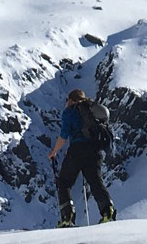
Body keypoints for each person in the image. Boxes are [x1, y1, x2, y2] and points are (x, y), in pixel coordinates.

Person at [47, 89, 116, 227]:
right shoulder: (92, 111)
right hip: (95, 151)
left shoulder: (70, 111)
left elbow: (64, 135)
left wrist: (54, 152)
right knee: (96, 182)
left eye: (67, 100)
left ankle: (68, 217)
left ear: (71, 100)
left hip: (77, 150)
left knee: (64, 183)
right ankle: (108, 212)